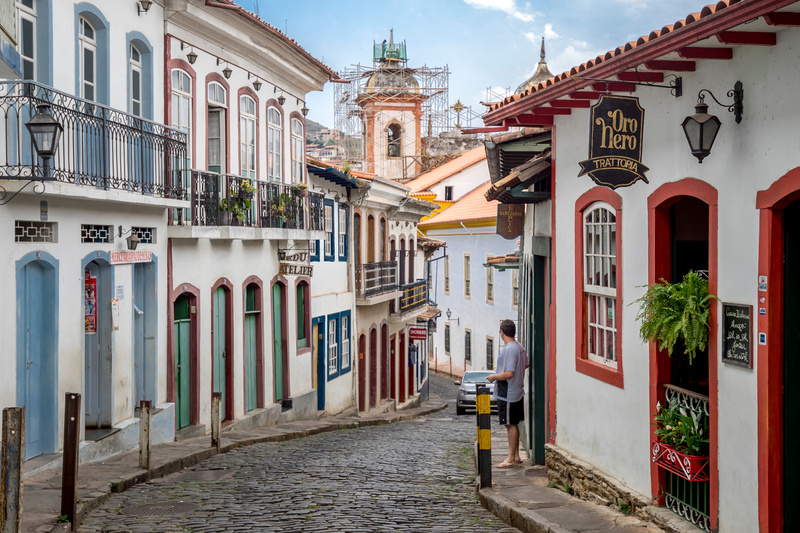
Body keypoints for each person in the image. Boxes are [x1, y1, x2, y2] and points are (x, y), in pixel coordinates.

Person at [487, 319, 528, 468]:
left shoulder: (510, 349)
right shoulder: (519, 346)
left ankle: (510, 458)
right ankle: (515, 456)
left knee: (510, 424)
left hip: (508, 392)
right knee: (513, 423)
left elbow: (509, 373)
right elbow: (526, 364)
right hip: (516, 390)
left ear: (502, 332)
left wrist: (494, 377)